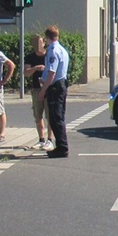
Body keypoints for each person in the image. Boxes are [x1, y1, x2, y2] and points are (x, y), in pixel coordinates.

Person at [38, 25, 70, 158]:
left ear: (47, 37)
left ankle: (62, 147)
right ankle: (61, 146)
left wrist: (43, 90)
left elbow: (52, 72)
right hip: (60, 85)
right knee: (58, 117)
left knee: (56, 118)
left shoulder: (53, 51)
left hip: (55, 87)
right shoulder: (62, 49)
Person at [23, 34, 52, 150]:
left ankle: (50, 140)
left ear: (44, 43)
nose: (38, 45)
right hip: (36, 88)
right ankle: (41, 139)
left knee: (50, 115)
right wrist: (35, 68)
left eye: (40, 42)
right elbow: (26, 73)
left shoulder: (49, 55)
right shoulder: (30, 57)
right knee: (37, 114)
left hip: (49, 88)